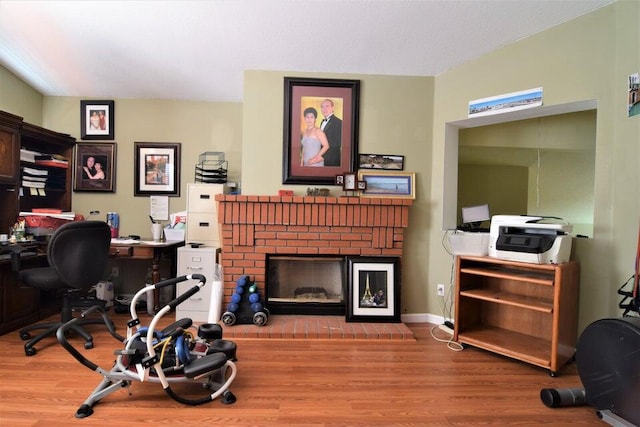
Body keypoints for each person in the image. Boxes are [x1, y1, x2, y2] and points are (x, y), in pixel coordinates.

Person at [319, 99, 342, 167]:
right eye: (322, 107)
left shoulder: (339, 122)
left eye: (327, 106)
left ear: (332, 108)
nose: (324, 109)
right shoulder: (322, 122)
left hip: (332, 159)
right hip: (322, 158)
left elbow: (337, 143)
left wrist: (322, 154)